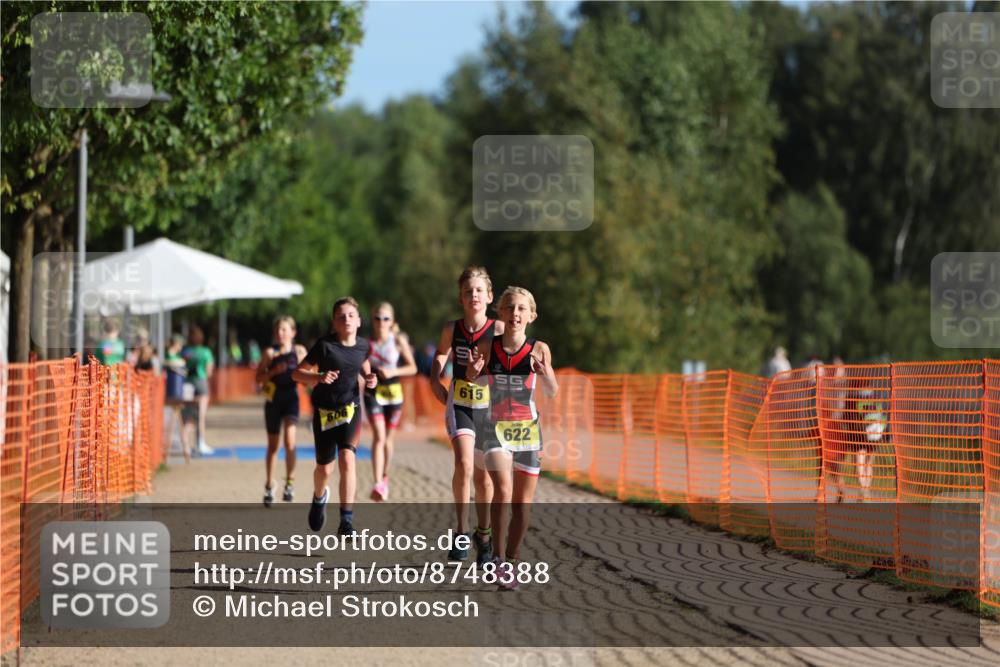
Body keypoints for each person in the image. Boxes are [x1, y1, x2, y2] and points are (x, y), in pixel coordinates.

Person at [467, 286, 558, 590]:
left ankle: (512, 561)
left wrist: (545, 374)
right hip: (496, 428)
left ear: (531, 315)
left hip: (528, 432)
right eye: (509, 308)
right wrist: (473, 370)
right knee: (502, 491)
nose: (515, 314)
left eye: (521, 309)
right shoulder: (487, 345)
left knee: (522, 505)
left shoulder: (539, 349)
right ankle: (496, 558)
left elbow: (552, 392)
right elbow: (472, 378)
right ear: (500, 314)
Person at [431, 266, 500, 565]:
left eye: (478, 290)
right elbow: (440, 354)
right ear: (460, 297)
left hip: (488, 408)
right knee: (463, 462)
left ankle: (483, 536)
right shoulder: (452, 329)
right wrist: (435, 379)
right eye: (468, 291)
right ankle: (461, 530)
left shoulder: (498, 330)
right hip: (459, 402)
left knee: (483, 476)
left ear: (489, 296)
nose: (473, 295)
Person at [292, 297, 377, 535]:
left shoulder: (363, 346)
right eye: (341, 316)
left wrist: (371, 380)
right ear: (334, 323)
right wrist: (318, 377)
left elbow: (366, 371)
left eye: (351, 315)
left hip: (350, 410)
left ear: (359, 321)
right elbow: (297, 374)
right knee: (324, 470)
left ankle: (346, 521)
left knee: (348, 460)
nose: (347, 319)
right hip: (324, 413)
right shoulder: (325, 346)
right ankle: (319, 497)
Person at [365, 302, 417, 502]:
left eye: (385, 318)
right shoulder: (366, 343)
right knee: (378, 435)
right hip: (374, 393)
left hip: (394, 392)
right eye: (377, 318)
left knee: (388, 438)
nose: (381, 322)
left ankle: (385, 476)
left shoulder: (397, 342)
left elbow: (412, 368)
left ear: (392, 321)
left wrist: (393, 371)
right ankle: (377, 482)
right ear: (372, 320)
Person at [257, 316, 307, 508]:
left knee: (290, 442)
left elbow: (307, 377)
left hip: (291, 400)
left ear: (293, 332)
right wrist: (272, 372)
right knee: (273, 446)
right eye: (278, 330)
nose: (281, 333)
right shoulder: (270, 353)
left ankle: (290, 484)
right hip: (273, 401)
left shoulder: (299, 351)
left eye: (285, 330)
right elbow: (258, 379)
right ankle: (270, 484)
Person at [182, 325, 215, 456]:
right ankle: (200, 443)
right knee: (200, 416)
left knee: (188, 416)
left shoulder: (185, 351)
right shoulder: (206, 352)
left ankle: (185, 444)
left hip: (187, 384)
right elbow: (209, 370)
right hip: (201, 383)